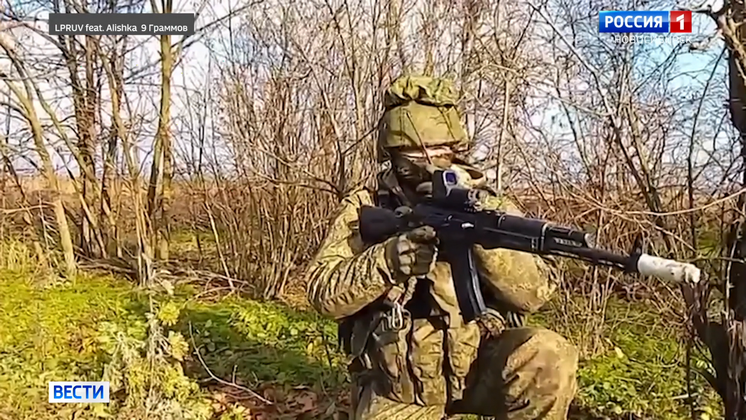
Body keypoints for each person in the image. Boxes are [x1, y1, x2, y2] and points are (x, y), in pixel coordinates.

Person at [304, 75, 578, 420]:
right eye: (414, 153)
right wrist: (387, 260)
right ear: (392, 154)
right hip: (399, 388)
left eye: (440, 151)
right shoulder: (367, 205)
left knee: (548, 355)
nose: (429, 162)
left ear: (454, 149)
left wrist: (482, 237)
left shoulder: (484, 202)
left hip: (479, 368)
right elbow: (321, 290)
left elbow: (533, 295)